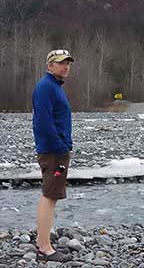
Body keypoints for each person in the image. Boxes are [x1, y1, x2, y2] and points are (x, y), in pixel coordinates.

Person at [32, 49, 74, 263]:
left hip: (55, 150)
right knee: (50, 196)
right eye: (60, 63)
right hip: (53, 152)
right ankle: (45, 248)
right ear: (50, 65)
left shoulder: (54, 87)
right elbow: (43, 122)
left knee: (50, 195)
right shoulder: (46, 87)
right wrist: (60, 147)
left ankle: (42, 242)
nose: (65, 66)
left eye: (67, 62)